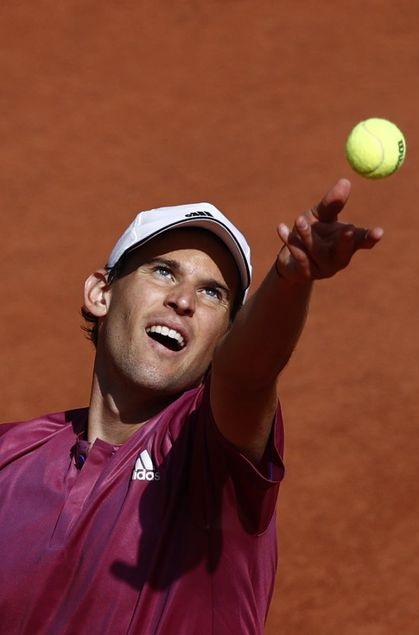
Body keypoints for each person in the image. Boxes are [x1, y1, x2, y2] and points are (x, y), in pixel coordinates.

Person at [0, 178, 381, 634]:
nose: (183, 301)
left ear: (224, 338)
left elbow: (246, 375)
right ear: (101, 293)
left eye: (212, 294)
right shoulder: (12, 454)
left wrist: (290, 280)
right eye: (163, 271)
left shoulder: (211, 460)